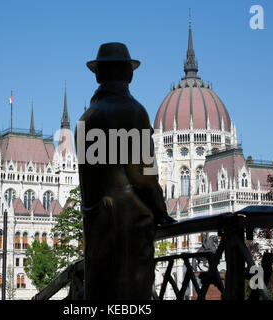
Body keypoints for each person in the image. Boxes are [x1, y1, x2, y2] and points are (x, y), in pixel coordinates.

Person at [75, 42, 175, 300]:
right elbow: (144, 177)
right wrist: (162, 212)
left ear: (97, 75)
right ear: (129, 74)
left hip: (98, 232)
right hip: (131, 230)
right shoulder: (132, 111)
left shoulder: (86, 119)